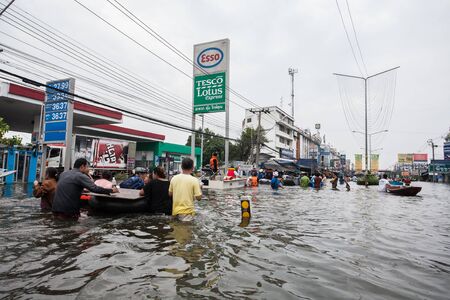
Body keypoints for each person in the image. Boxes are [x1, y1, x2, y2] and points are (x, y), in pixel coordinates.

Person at [52, 158, 118, 219]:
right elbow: (95, 188)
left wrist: (82, 190)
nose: (88, 169)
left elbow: (68, 187)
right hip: (68, 211)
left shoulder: (64, 173)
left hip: (55, 208)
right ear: (82, 167)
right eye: (87, 167)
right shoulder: (80, 176)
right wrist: (111, 190)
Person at [169, 157, 202, 222]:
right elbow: (199, 198)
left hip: (175, 212)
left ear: (181, 166)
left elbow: (170, 194)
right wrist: (200, 189)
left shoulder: (174, 178)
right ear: (192, 168)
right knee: (186, 230)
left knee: (175, 231)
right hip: (187, 213)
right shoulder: (194, 180)